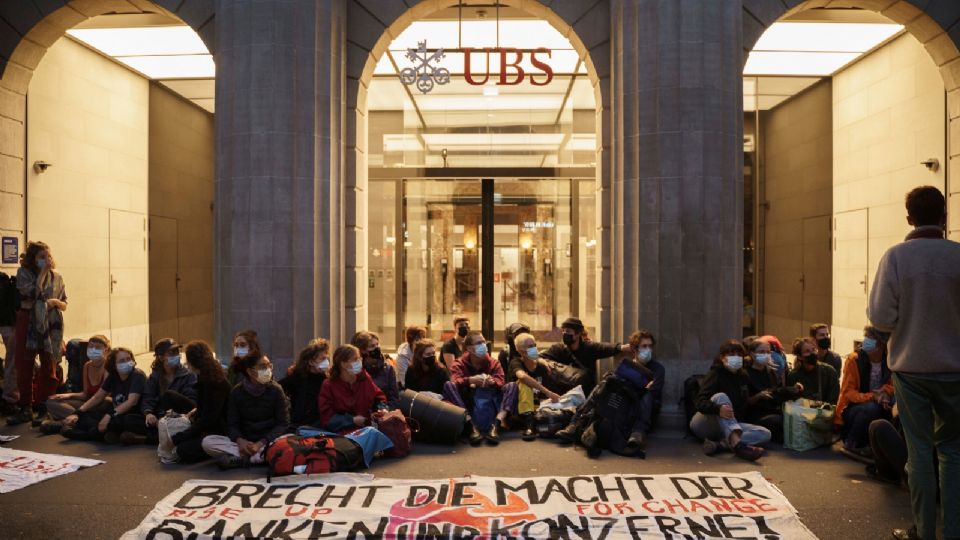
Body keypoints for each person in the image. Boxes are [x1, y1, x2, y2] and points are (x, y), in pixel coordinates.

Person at [867, 186, 960, 540]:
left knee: (919, 452)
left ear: (909, 218)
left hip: (911, 369)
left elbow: (881, 315)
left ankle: (923, 531)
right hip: (955, 371)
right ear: (944, 216)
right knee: (953, 451)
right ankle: (952, 531)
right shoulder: (958, 255)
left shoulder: (896, 257)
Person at [9, 242, 67, 426]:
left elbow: (64, 304)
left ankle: (45, 407)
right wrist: (42, 274)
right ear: (33, 259)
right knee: (24, 365)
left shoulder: (57, 277)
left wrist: (55, 303)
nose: (47, 260)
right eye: (42, 257)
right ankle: (25, 407)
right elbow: (34, 294)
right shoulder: (24, 274)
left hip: (50, 324)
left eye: (49, 256)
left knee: (49, 366)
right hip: (28, 322)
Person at [202, 352, 289, 469]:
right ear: (250, 371)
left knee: (288, 441)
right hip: (244, 442)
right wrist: (240, 441)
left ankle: (244, 459)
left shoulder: (276, 390)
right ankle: (260, 457)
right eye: (263, 367)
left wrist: (261, 443)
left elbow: (282, 424)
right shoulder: (236, 392)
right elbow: (232, 425)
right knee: (208, 442)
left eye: (269, 366)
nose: (268, 370)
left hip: (268, 441)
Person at [689, 340, 769, 461]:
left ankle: (722, 444)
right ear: (722, 357)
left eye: (739, 355)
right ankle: (737, 445)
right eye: (731, 354)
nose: (736, 357)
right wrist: (718, 409)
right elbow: (699, 402)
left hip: (728, 426)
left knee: (764, 433)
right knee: (721, 396)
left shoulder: (743, 377)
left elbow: (743, 404)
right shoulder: (715, 374)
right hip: (706, 422)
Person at [444, 330, 517, 445]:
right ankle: (470, 425)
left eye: (483, 342)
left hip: (492, 401)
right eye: (479, 343)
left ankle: (497, 423)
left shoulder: (493, 362)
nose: (483, 345)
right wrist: (470, 380)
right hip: (468, 402)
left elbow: (501, 382)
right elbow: (455, 380)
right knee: (448, 385)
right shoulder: (459, 363)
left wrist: (492, 382)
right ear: (469, 348)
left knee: (512, 385)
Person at [61, 347, 147, 443]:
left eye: (128, 359)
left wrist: (109, 415)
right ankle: (109, 434)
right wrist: (77, 413)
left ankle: (89, 434)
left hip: (133, 416)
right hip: (116, 415)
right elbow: (98, 397)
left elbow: (132, 402)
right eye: (122, 361)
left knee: (122, 421)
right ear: (114, 365)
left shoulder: (138, 375)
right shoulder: (113, 376)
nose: (127, 362)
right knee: (87, 415)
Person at [834, 326, 893, 459]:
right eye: (866, 336)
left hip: (880, 402)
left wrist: (884, 393)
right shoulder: (854, 359)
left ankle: (878, 447)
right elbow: (848, 392)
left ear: (881, 344)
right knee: (872, 408)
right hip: (852, 408)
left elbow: (893, 385)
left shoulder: (890, 360)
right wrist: (873, 396)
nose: (866, 340)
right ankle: (851, 443)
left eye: (870, 338)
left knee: (892, 405)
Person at [169, 340, 231, 462]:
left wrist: (182, 436)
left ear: (193, 362)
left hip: (221, 430)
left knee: (183, 450)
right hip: (212, 425)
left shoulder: (214, 382)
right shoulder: (205, 376)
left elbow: (208, 420)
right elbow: (204, 410)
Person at [40, 334, 111, 434]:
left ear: (106, 350)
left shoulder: (108, 367)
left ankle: (65, 422)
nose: (93, 350)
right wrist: (67, 395)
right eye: (91, 347)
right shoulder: (87, 365)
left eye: (98, 347)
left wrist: (82, 409)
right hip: (87, 404)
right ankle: (78, 421)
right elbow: (85, 394)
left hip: (99, 405)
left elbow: (101, 396)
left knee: (106, 402)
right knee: (51, 402)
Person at [539, 317, 631, 394]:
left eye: (568, 331)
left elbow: (604, 348)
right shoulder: (558, 349)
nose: (564, 334)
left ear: (578, 333)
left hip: (583, 394)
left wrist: (622, 347)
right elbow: (538, 357)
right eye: (563, 331)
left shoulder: (589, 348)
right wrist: (542, 361)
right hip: (563, 393)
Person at [135, 339, 199, 445]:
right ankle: (160, 433)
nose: (176, 356)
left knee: (169, 395)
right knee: (129, 420)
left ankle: (146, 438)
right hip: (159, 418)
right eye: (171, 353)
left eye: (177, 352)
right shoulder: (155, 376)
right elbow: (148, 396)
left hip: (181, 416)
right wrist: (148, 413)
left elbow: (191, 400)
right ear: (160, 357)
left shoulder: (188, 375)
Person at [317, 344, 387, 433]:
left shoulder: (364, 378)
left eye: (359, 358)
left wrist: (382, 408)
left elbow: (378, 396)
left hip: (367, 429)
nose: (359, 362)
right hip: (342, 434)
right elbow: (327, 418)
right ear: (343, 364)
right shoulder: (329, 385)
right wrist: (351, 420)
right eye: (355, 359)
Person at [743, 339, 802, 443]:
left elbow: (776, 391)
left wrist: (793, 389)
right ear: (752, 354)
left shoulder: (770, 372)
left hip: (771, 409)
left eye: (767, 352)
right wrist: (759, 396)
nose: (765, 355)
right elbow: (745, 401)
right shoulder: (746, 374)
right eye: (761, 352)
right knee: (778, 421)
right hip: (755, 414)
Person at [507, 332, 560, 441]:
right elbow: (522, 376)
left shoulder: (541, 366)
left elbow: (548, 391)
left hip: (537, 405)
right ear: (520, 350)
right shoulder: (516, 362)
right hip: (519, 408)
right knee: (524, 383)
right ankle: (529, 424)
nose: (534, 348)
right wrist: (547, 392)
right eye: (530, 346)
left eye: (535, 345)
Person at [280, 338, 330, 427]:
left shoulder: (327, 379)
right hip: (299, 425)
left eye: (327, 358)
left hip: (321, 425)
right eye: (322, 359)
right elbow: (278, 389)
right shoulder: (297, 377)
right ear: (311, 362)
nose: (326, 362)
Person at [352, 331, 399, 408]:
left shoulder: (388, 369)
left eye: (377, 344)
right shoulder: (357, 369)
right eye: (372, 346)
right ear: (362, 350)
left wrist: (386, 411)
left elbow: (394, 398)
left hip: (383, 411)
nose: (377, 348)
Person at [786, 337, 840, 404]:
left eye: (814, 350)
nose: (812, 353)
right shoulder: (793, 376)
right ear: (799, 356)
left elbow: (833, 399)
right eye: (807, 351)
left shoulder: (829, 372)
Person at [0, 270, 18, 415]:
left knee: (11, 361)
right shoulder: (6, 280)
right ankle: (10, 398)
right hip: (9, 323)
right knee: (12, 360)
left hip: (7, 322)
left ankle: (9, 398)